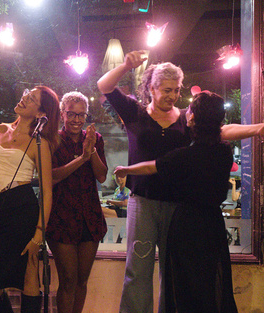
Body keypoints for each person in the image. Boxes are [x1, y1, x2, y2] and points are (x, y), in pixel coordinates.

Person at [97, 50, 264, 313]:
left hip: (178, 208)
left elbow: (221, 131)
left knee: (172, 272)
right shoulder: (134, 112)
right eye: (166, 89)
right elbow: (104, 86)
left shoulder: (188, 117)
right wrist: (126, 65)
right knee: (136, 271)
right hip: (143, 204)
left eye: (176, 90)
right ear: (151, 88)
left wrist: (257, 128)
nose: (173, 95)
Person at [114, 91, 238, 312]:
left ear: (192, 119)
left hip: (186, 225)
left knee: (183, 285)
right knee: (210, 282)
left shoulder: (185, 156)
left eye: (189, 110)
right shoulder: (224, 152)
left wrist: (125, 169)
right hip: (213, 225)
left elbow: (153, 166)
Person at [0, 86, 60, 313]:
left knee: (28, 276)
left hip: (23, 210)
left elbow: (47, 192)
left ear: (40, 113)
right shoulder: (0, 129)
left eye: (32, 98)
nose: (24, 98)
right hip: (1, 212)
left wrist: (38, 236)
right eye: (27, 93)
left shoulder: (39, 142)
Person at [45, 91, 107, 313]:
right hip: (61, 218)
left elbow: (102, 176)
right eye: (71, 114)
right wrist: (82, 158)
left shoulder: (95, 139)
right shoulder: (52, 139)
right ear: (62, 114)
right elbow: (52, 177)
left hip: (89, 217)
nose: (77, 120)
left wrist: (91, 151)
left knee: (82, 280)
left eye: (82, 115)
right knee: (68, 279)